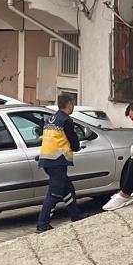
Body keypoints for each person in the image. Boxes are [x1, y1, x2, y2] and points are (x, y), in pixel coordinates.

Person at [36, 94, 86, 232]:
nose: (73, 107)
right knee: (54, 193)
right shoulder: (66, 120)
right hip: (57, 160)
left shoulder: (51, 119)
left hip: (47, 160)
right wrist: (76, 147)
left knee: (67, 188)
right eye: (73, 104)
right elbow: (73, 140)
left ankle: (75, 214)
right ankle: (43, 223)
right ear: (69, 104)